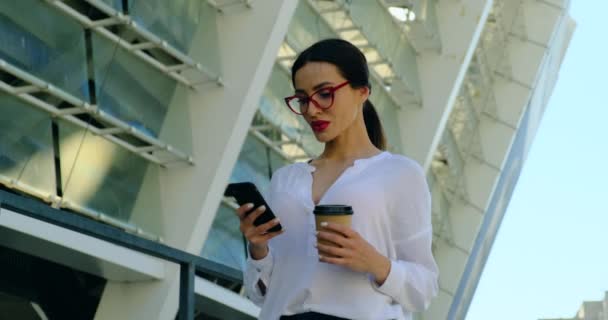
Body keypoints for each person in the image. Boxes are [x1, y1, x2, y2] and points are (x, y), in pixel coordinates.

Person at [235, 38, 439, 320]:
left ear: (362, 92)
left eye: (325, 94)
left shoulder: (400, 174)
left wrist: (375, 262)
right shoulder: (285, 180)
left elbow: (424, 288)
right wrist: (258, 247)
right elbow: (262, 294)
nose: (312, 109)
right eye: (303, 99)